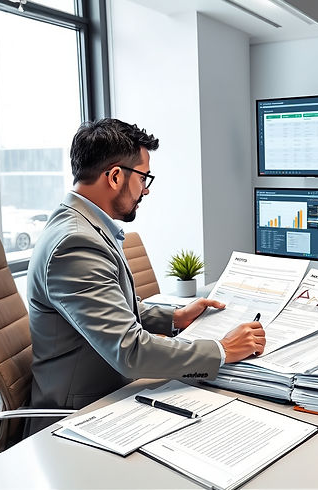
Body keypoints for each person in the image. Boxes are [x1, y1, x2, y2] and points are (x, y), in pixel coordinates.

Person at [25, 118, 265, 434]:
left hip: (112, 393)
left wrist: (174, 318)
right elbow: (130, 352)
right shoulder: (75, 243)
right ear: (114, 176)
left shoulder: (82, 226)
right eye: (143, 177)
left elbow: (115, 307)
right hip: (81, 415)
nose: (146, 189)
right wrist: (222, 350)